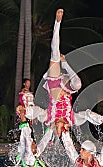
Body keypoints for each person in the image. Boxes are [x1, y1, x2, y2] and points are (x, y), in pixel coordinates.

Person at [43, 9, 82, 138]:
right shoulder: (72, 120)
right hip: (66, 87)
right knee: (78, 85)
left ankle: (57, 23)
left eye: (57, 131)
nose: (59, 129)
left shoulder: (48, 119)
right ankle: (65, 63)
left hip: (54, 85)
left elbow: (36, 112)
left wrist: (24, 111)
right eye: (61, 131)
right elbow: (88, 115)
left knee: (54, 53)